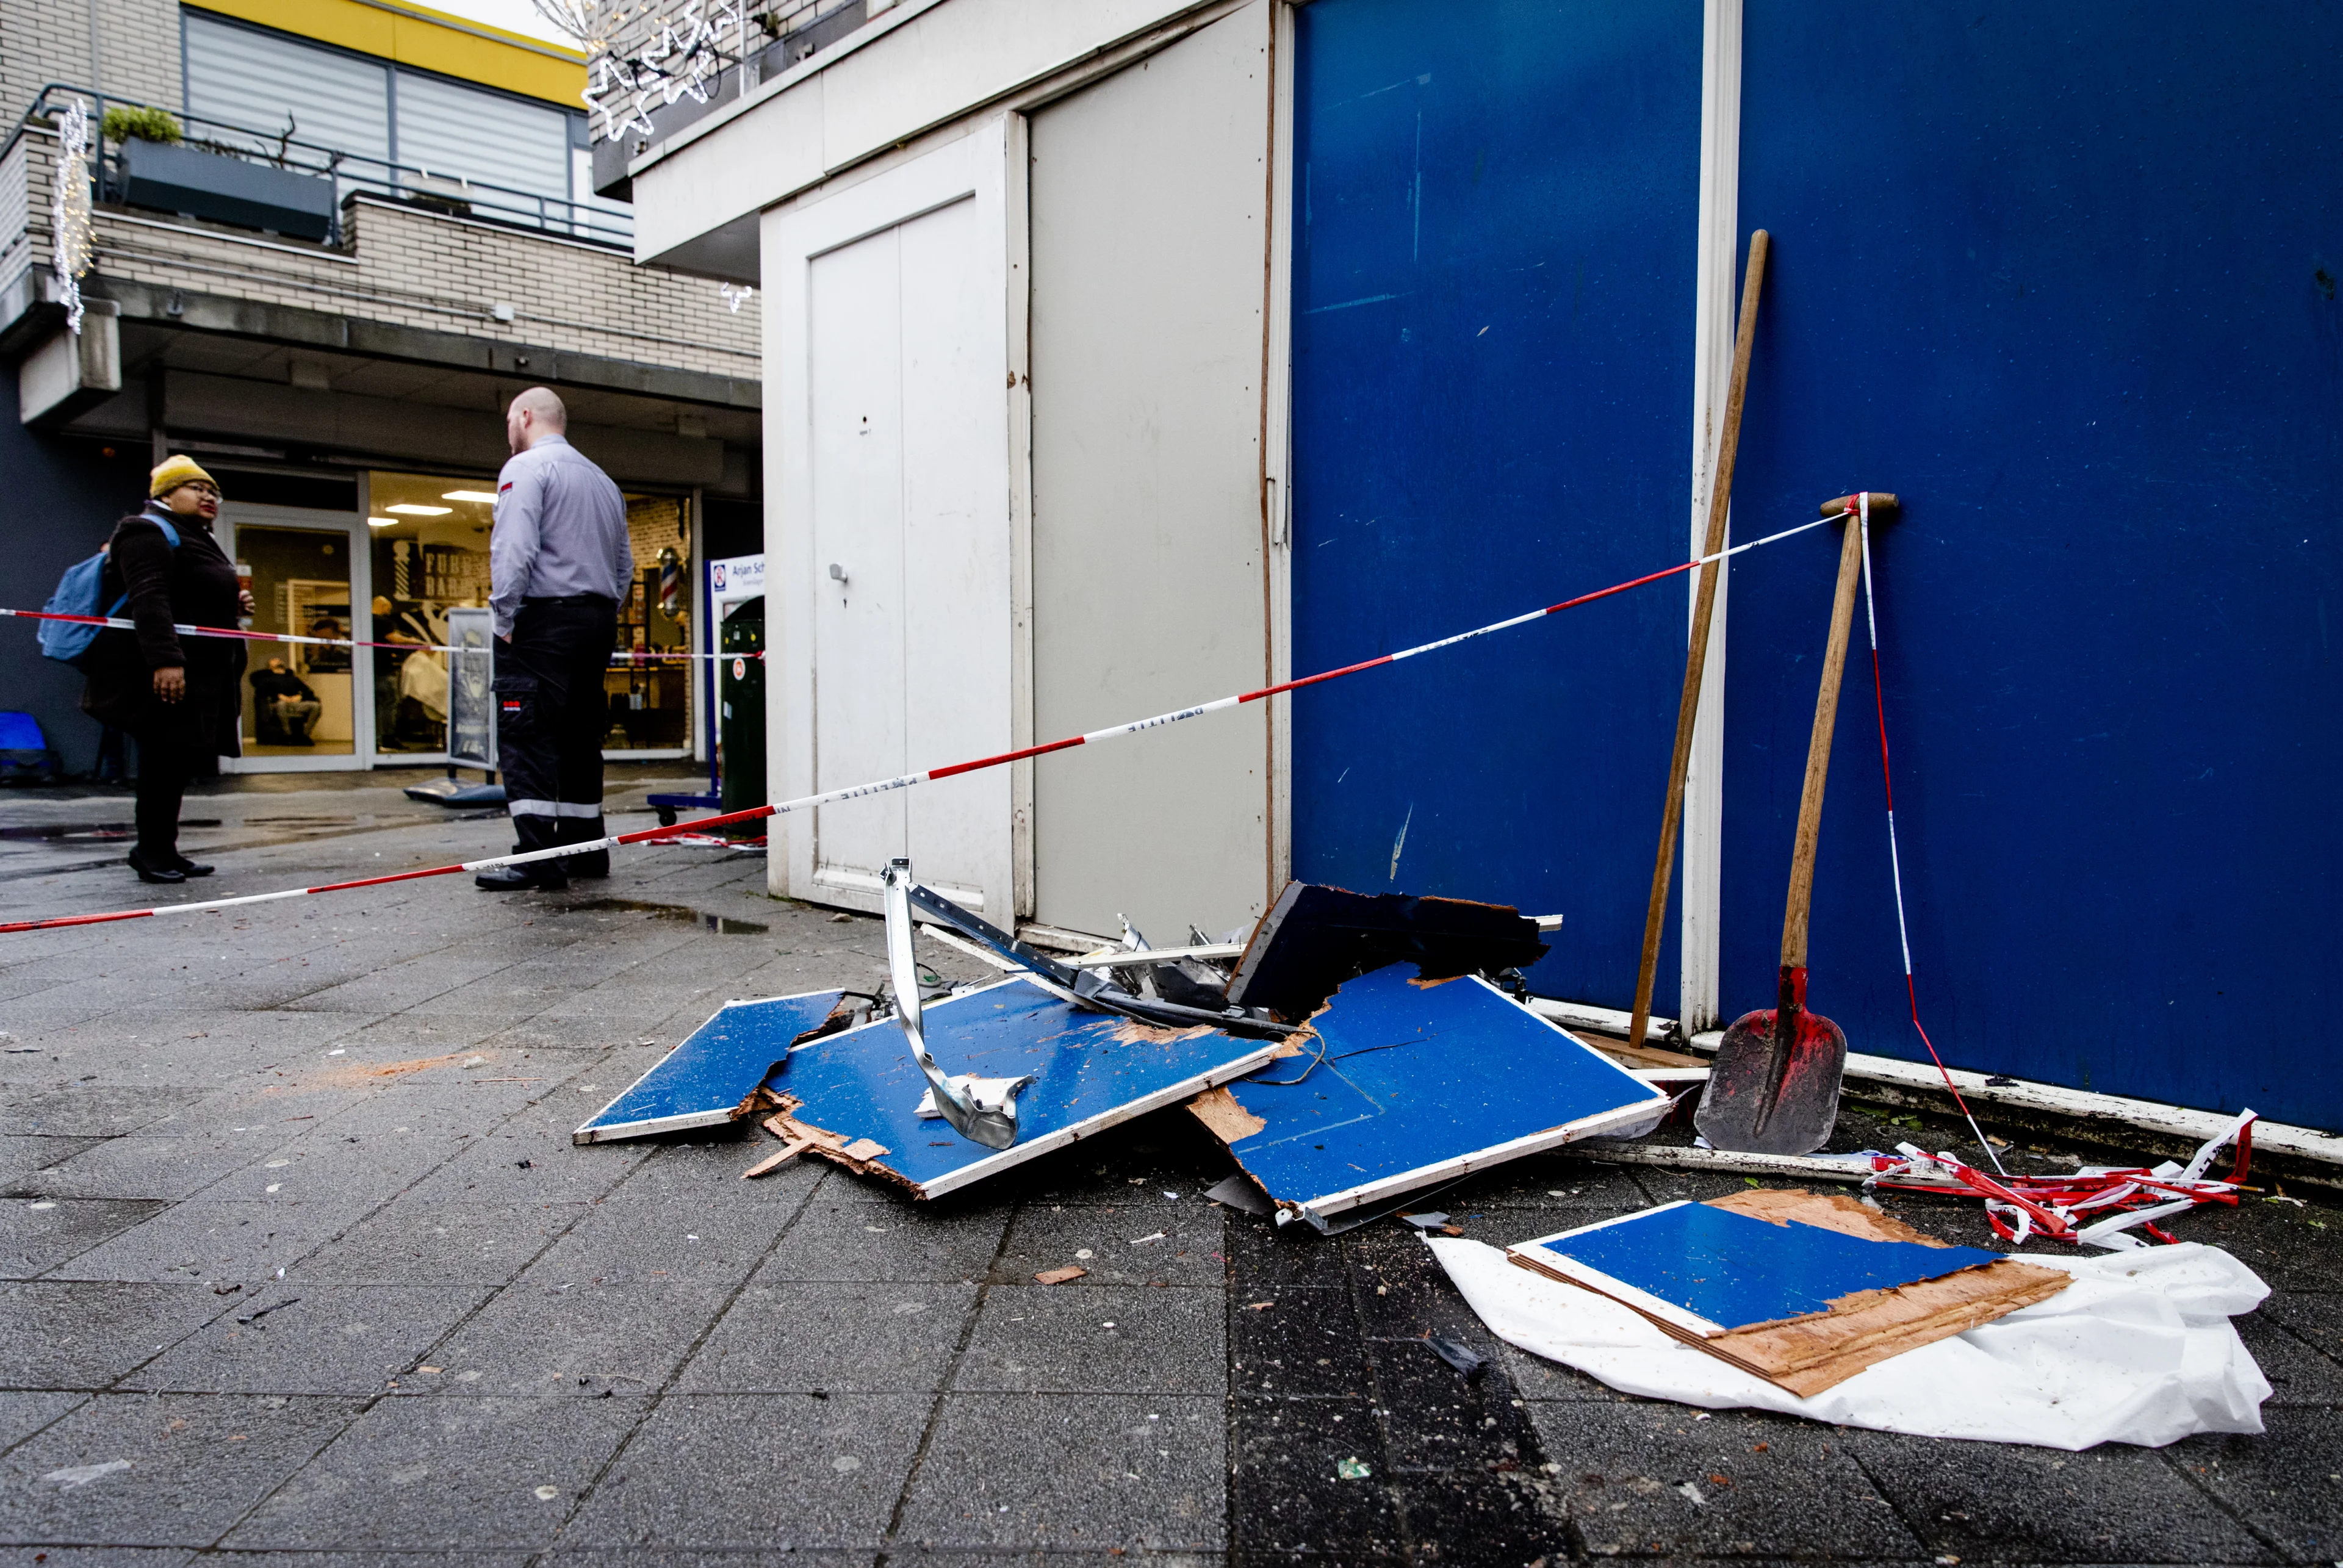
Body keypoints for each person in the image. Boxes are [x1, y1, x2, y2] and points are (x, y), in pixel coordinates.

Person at [476, 386, 632, 891]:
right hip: (596, 622)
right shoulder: (604, 482)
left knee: (529, 734)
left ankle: (538, 858)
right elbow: (624, 566)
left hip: (542, 622)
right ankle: (586, 851)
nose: (508, 433)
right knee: (581, 737)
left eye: (507, 422)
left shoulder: (524, 469)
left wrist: (504, 616)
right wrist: (604, 612)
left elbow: (514, 548)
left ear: (525, 417)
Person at [80, 456, 253, 884]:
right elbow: (149, 599)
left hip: (202, 670)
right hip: (165, 671)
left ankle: (164, 849)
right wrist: (166, 662)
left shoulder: (193, 534)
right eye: (196, 488)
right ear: (165, 495)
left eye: (212, 490)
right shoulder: (146, 531)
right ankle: (151, 853)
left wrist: (231, 605)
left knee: (174, 763)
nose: (208, 496)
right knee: (161, 762)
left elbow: (187, 594)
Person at [249, 657, 321, 744]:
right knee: (281, 704)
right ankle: (288, 735)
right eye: (273, 660)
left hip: (295, 704)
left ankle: (305, 735)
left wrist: (300, 697)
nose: (277, 660)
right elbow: (261, 691)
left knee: (316, 706)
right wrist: (278, 696)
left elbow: (310, 692)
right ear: (269, 667)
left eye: (278, 659)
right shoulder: (267, 679)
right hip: (278, 704)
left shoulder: (293, 678)